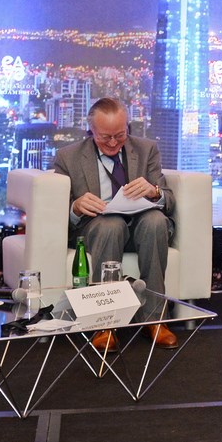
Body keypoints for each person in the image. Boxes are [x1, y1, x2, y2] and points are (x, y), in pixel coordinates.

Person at [54, 98, 177, 350]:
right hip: (98, 227)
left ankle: (155, 319)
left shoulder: (146, 149)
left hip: (141, 224)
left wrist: (154, 191)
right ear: (91, 131)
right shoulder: (68, 157)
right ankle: (105, 323)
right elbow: (56, 211)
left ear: (127, 128)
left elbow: (169, 200)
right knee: (111, 226)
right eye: (105, 137)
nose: (113, 143)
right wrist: (76, 206)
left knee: (155, 221)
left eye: (120, 136)